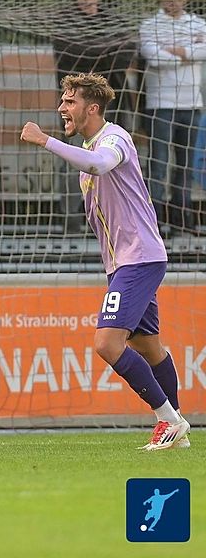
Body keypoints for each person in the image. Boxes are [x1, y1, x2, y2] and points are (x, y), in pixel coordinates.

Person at [20, 72, 189, 451]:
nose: (62, 107)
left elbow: (100, 163)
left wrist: (44, 140)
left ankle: (168, 420)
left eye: (69, 101)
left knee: (107, 344)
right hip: (126, 262)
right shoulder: (90, 147)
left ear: (91, 107)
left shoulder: (114, 139)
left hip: (138, 260)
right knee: (150, 349)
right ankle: (176, 428)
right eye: (62, 100)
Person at [52, 0, 137, 233]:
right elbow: (70, 56)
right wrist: (104, 55)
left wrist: (93, 55)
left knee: (111, 165)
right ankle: (73, 221)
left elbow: (126, 52)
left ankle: (112, 223)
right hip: (76, 113)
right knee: (73, 162)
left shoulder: (113, 21)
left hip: (113, 111)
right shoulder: (63, 22)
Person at [138, 0, 206, 237]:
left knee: (185, 165)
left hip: (192, 104)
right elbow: (152, 57)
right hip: (160, 104)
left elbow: (204, 51)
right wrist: (188, 52)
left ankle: (182, 222)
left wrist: (176, 51)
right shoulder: (149, 24)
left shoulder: (198, 23)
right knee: (158, 164)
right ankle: (152, 222)